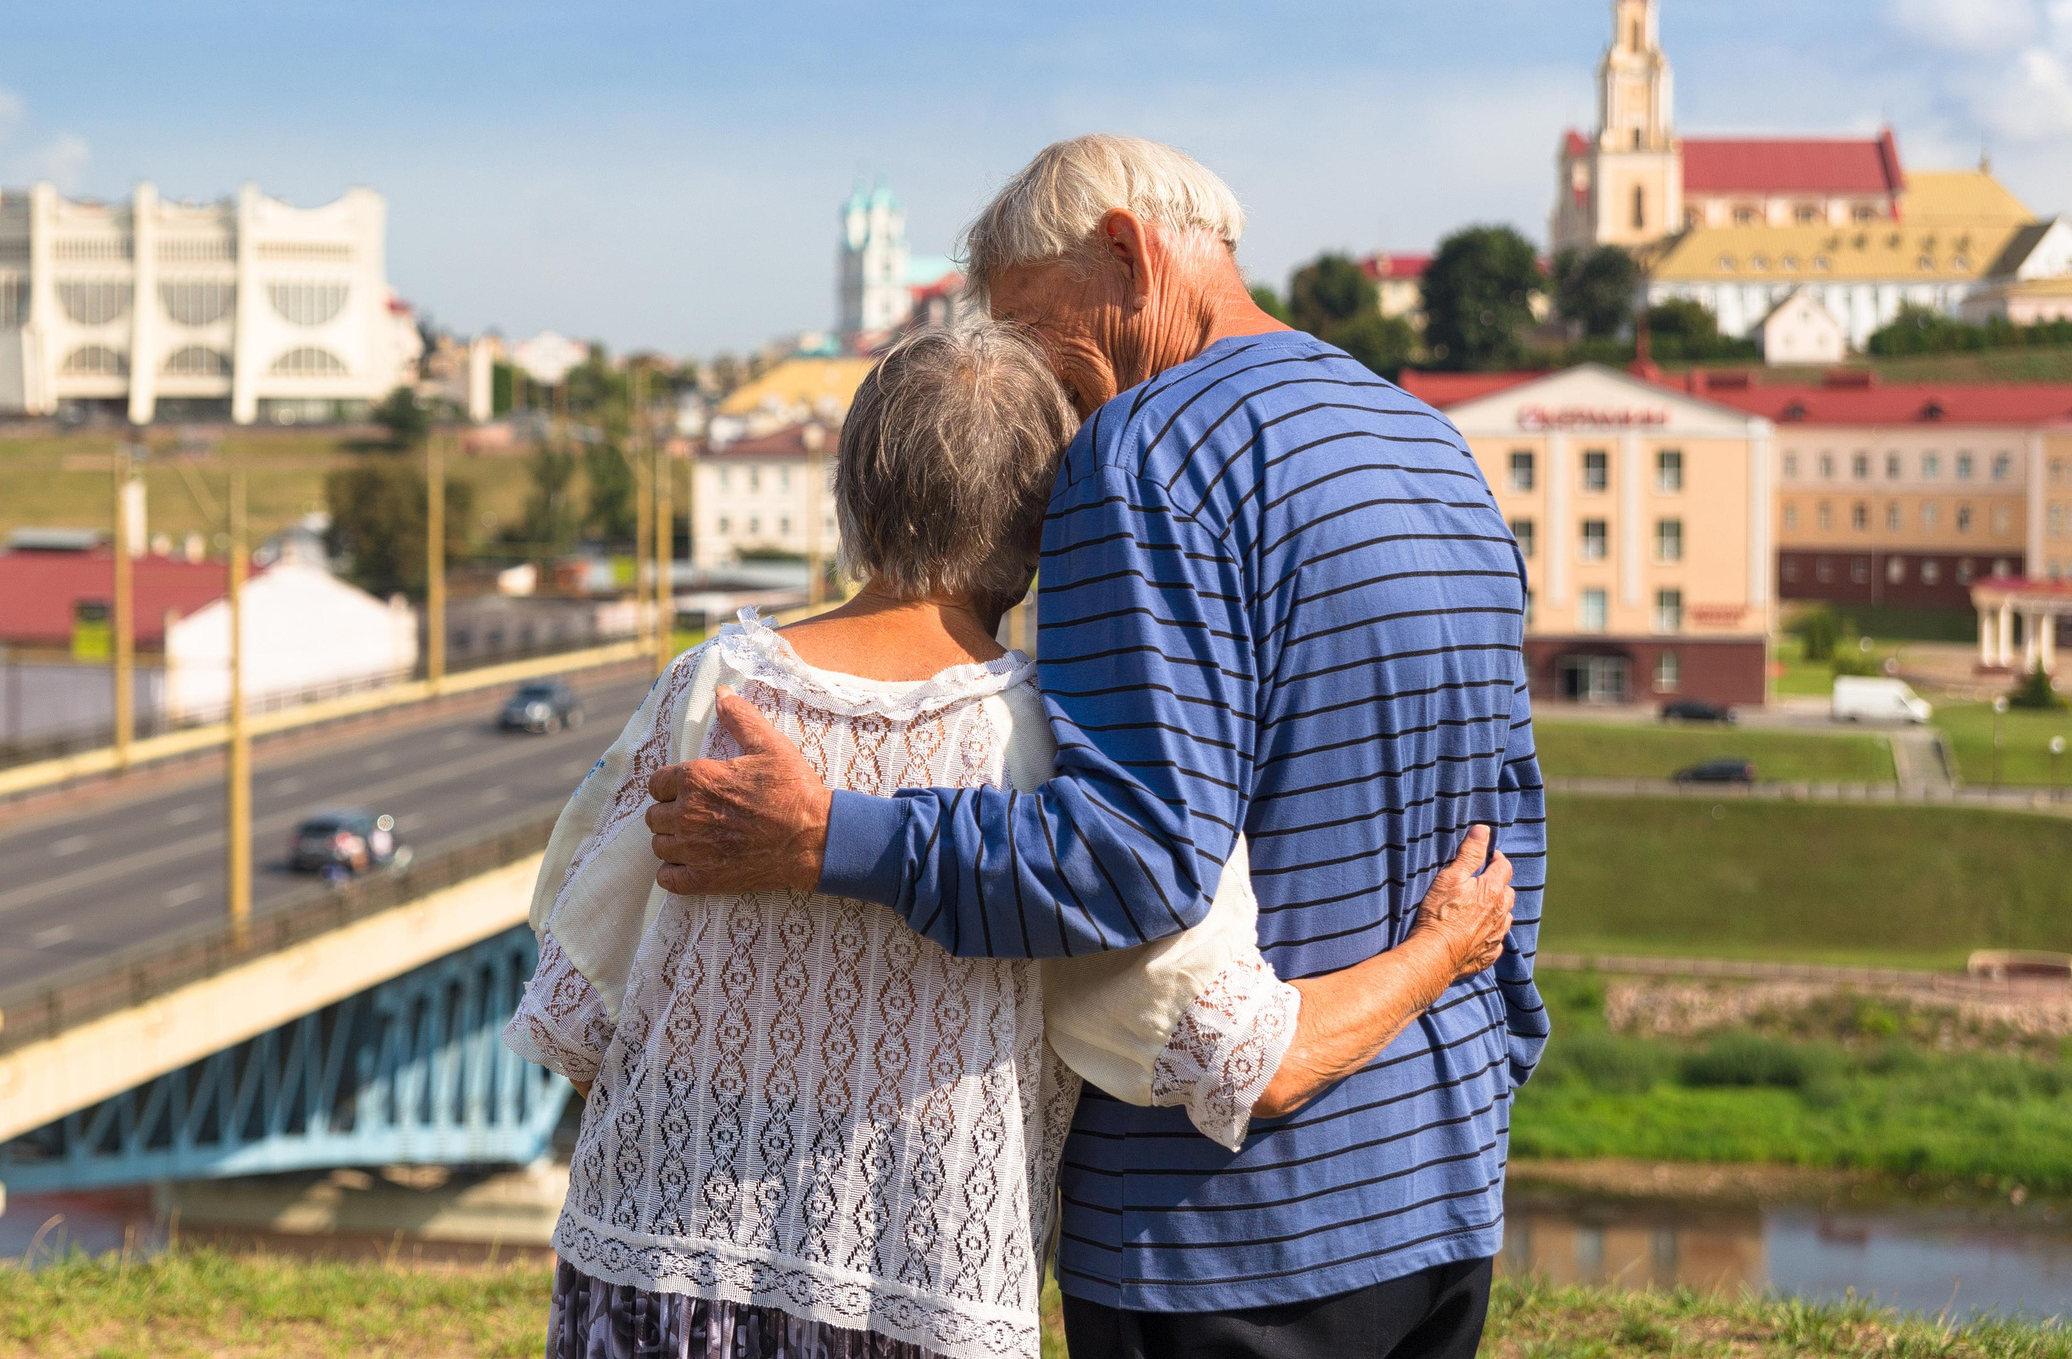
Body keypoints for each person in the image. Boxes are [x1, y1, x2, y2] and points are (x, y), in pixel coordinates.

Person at [645, 136, 1548, 1359]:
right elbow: (1510, 821)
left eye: (1029, 324)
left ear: (1124, 253)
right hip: (1440, 1181)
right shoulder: (1424, 441)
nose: (1036, 378)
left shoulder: (1144, 454)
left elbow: (1130, 861)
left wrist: (829, 837)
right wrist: (1479, 1082)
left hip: (1226, 1232)